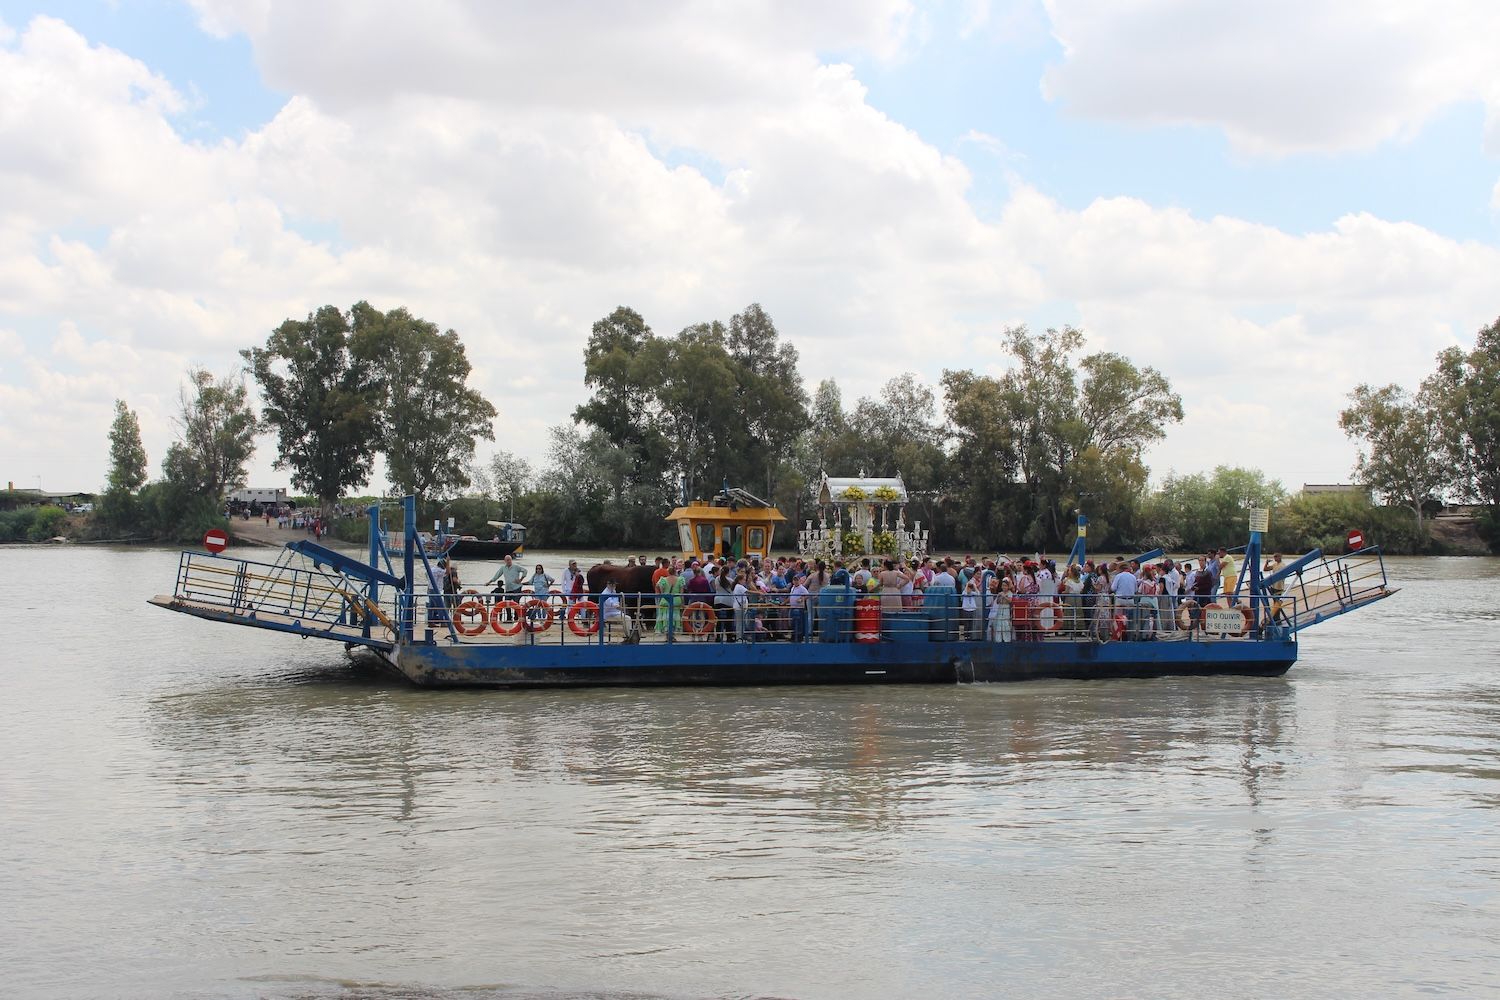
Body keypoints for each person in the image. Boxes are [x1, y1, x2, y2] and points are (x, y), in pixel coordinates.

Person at [487, 555, 527, 622]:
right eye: (507, 560)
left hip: (516, 588)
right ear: (505, 561)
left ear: (511, 560)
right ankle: (509, 618)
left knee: (516, 604)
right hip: (508, 589)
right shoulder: (503, 568)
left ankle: (516, 618)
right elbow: (497, 575)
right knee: (506, 603)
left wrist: (521, 579)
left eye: (509, 560)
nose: (508, 561)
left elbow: (525, 571)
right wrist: (489, 582)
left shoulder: (516, 567)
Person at [655, 562, 683, 635]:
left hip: (665, 600)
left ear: (668, 572)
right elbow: (681, 593)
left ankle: (665, 630)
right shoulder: (680, 579)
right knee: (675, 615)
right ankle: (673, 631)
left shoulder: (663, 580)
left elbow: (661, 590)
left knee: (664, 614)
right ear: (675, 572)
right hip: (676, 600)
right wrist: (682, 603)